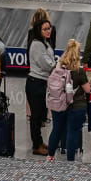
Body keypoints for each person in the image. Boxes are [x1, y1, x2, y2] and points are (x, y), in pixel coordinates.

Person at [46, 39, 91, 161]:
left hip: (59, 103)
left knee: (56, 129)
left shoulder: (56, 68)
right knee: (73, 131)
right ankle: (70, 160)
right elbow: (88, 90)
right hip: (76, 105)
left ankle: (50, 155)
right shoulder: (79, 71)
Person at [24, 12, 55, 156]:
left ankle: (40, 141)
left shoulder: (44, 42)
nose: (48, 31)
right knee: (35, 117)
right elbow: (46, 64)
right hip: (35, 83)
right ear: (39, 30)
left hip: (41, 83)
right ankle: (36, 145)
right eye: (45, 29)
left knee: (40, 115)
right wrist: (55, 64)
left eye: (49, 28)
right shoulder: (37, 44)